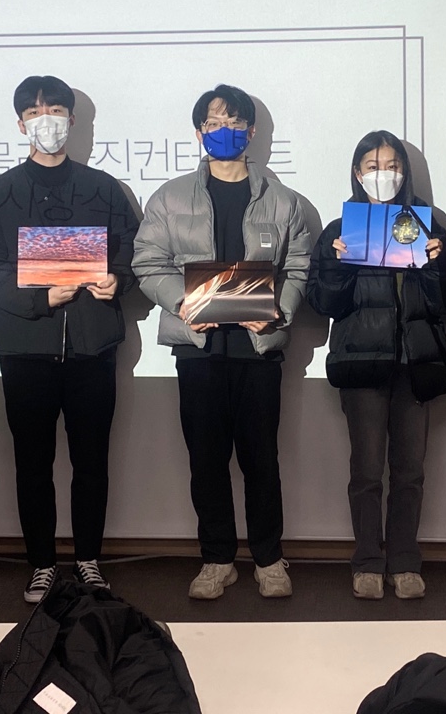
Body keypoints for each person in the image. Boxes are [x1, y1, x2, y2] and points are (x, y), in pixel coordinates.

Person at [0, 75, 139, 604]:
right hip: (26, 348)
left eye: (56, 110)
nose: (48, 121)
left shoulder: (104, 188)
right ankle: (41, 563)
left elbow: (133, 251)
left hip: (92, 347)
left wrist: (118, 280)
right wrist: (40, 299)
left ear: (73, 120)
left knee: (92, 460)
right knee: (32, 462)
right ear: (21, 125)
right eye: (36, 113)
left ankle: (88, 560)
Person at [133, 84, 312, 600]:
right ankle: (217, 560)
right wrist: (182, 301)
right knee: (206, 461)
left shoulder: (283, 200)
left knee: (262, 461)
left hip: (259, 350)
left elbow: (298, 267)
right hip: (198, 349)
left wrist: (278, 311)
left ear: (250, 132)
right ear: (199, 133)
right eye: (213, 123)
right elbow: (148, 262)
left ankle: (269, 559)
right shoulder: (169, 198)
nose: (224, 131)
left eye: (234, 122)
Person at [306, 131, 446, 600]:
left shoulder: (429, 224)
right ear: (357, 173)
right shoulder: (339, 230)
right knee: (367, 472)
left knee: (410, 471)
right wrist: (338, 266)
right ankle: (368, 561)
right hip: (362, 364)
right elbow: (323, 304)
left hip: (416, 362)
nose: (383, 174)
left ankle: (405, 560)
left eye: (391, 165)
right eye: (372, 166)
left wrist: (440, 264)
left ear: (405, 172)